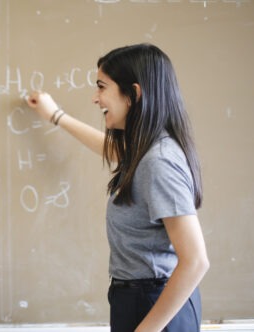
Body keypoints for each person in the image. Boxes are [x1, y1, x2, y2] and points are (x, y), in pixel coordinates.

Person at [25, 43, 209, 332]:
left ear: (133, 94)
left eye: (102, 87)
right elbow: (110, 149)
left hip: (154, 306)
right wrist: (56, 116)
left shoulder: (158, 162)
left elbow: (196, 261)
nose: (95, 99)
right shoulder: (146, 152)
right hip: (141, 299)